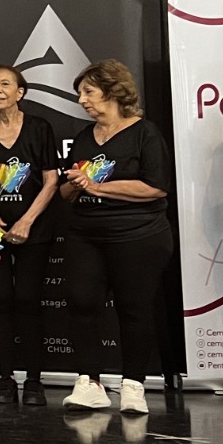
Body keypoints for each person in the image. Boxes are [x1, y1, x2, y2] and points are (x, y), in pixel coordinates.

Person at [58, 60, 173, 415]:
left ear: (113, 91)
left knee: (134, 308)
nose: (82, 100)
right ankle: (89, 383)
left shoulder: (145, 133)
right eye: (80, 93)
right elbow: (66, 192)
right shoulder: (83, 137)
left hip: (138, 235)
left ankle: (133, 386)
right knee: (81, 303)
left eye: (88, 92)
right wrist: (75, 185)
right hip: (85, 234)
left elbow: (156, 187)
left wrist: (97, 186)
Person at [0, 65, 60, 406]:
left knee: (28, 300)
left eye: (5, 84)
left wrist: (25, 222)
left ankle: (34, 382)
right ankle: (4, 379)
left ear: (20, 92)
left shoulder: (39, 127)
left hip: (34, 229)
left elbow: (51, 180)